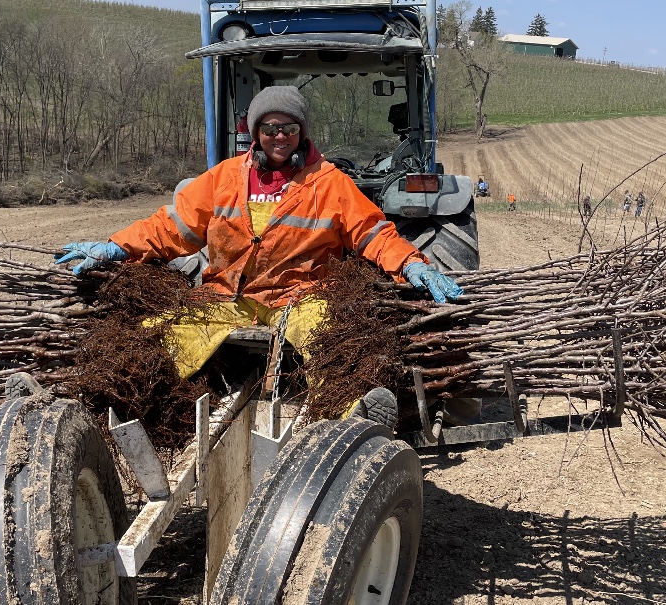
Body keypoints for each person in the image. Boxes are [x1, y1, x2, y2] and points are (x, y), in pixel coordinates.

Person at [54, 86, 463, 425]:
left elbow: (372, 234)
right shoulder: (223, 178)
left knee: (335, 342)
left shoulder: (329, 182)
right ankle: (109, 403)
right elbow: (171, 227)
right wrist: (116, 246)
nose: (280, 136)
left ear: (302, 132)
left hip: (302, 296)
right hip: (226, 297)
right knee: (159, 334)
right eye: (270, 127)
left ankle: (354, 418)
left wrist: (411, 262)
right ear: (256, 131)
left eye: (289, 127)